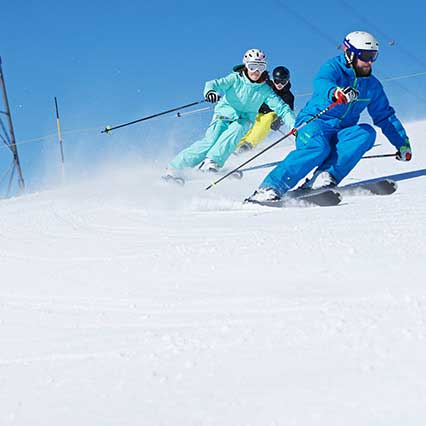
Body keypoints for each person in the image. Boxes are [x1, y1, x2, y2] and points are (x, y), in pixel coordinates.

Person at [245, 31, 412, 203]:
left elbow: (385, 116)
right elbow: (322, 81)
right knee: (318, 147)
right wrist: (336, 92)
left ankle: (325, 175)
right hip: (314, 122)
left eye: (374, 56)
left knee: (366, 133)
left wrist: (402, 144)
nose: (369, 61)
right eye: (365, 55)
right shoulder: (333, 67)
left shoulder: (372, 85)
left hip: (341, 131)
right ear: (350, 53)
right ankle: (269, 188)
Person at [164, 49, 295, 179]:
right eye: (253, 66)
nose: (256, 71)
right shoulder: (235, 79)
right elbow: (214, 84)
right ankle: (176, 167)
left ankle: (212, 162)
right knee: (210, 142)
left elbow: (283, 108)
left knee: (238, 128)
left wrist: (294, 126)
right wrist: (211, 92)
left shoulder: (265, 89)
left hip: (244, 119)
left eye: (260, 67)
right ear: (246, 65)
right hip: (224, 115)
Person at [236, 66, 295, 154]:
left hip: (272, 114)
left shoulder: (289, 96)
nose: (279, 84)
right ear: (273, 79)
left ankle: (249, 144)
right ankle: (236, 144)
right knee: (250, 124)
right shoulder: (266, 86)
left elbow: (288, 114)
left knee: (267, 119)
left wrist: (279, 121)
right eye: (277, 81)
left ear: (287, 81)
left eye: (283, 82)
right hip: (258, 111)